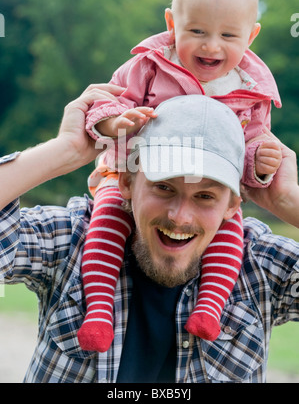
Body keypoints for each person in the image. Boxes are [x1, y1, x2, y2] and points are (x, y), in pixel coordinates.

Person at [1, 91, 299, 384]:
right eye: (164, 188)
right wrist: (64, 151)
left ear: (233, 205)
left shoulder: (261, 267)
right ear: (127, 182)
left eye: (205, 196)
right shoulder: (71, 242)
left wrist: (288, 201)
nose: (180, 217)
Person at [78, 0, 282, 352]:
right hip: (131, 169)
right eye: (197, 30)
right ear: (172, 24)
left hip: (212, 181)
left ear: (251, 36)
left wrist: (259, 165)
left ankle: (210, 305)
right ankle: (99, 308)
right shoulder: (150, 66)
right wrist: (113, 123)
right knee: (106, 219)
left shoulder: (251, 88)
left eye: (228, 35)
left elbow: (253, 140)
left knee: (229, 228)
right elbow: (104, 102)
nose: (211, 45)